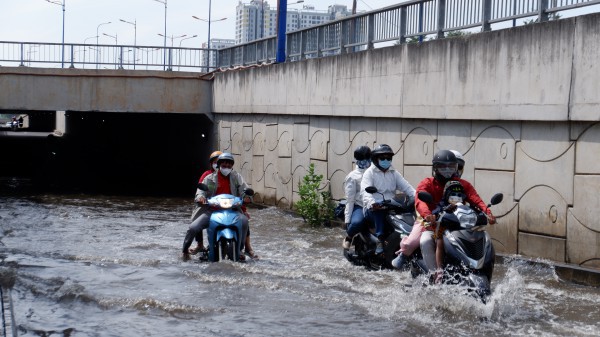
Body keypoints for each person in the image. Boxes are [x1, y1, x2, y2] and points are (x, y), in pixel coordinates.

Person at [392, 149, 496, 271]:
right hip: (430, 223)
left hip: (456, 224)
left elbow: (476, 199)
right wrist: (428, 215)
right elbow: (420, 201)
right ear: (435, 168)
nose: (447, 170)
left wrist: (488, 213)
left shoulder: (462, 184)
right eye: (443, 166)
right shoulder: (427, 183)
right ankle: (434, 273)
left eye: (451, 166)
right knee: (424, 241)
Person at [182, 153, 255, 260]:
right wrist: (201, 197)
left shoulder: (236, 177)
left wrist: (247, 197)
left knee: (244, 221)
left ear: (232, 166)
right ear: (219, 165)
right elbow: (201, 191)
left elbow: (244, 190)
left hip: (233, 210)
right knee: (193, 228)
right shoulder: (209, 178)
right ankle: (185, 250)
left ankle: (240, 249)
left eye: (229, 165)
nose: (226, 167)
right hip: (212, 211)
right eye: (224, 165)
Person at [360, 144, 416, 254]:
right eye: (382, 158)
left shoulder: (394, 173)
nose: (386, 160)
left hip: (392, 205)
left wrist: (417, 196)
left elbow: (407, 187)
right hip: (374, 208)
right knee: (379, 211)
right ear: (375, 159)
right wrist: (372, 203)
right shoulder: (369, 173)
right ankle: (380, 239)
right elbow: (364, 192)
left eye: (388, 158)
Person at [422, 180, 466, 283]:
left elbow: (473, 211)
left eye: (459, 195)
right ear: (446, 195)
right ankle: (439, 270)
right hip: (444, 230)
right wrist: (437, 214)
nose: (456, 197)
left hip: (461, 231)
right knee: (440, 242)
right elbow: (436, 211)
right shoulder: (443, 204)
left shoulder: (465, 206)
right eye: (453, 194)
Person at [188, 150, 223, 254]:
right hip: (208, 205)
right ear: (211, 163)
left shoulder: (231, 176)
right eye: (215, 162)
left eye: (219, 162)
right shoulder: (206, 176)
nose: (217, 164)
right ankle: (199, 244)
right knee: (196, 220)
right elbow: (200, 191)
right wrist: (201, 198)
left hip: (225, 205)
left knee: (242, 220)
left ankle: (243, 248)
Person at [342, 145, 371, 249]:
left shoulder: (375, 172)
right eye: (362, 159)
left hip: (376, 204)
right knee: (357, 223)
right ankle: (349, 237)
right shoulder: (352, 176)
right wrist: (347, 220)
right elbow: (350, 200)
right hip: (360, 205)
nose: (366, 161)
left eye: (367, 158)